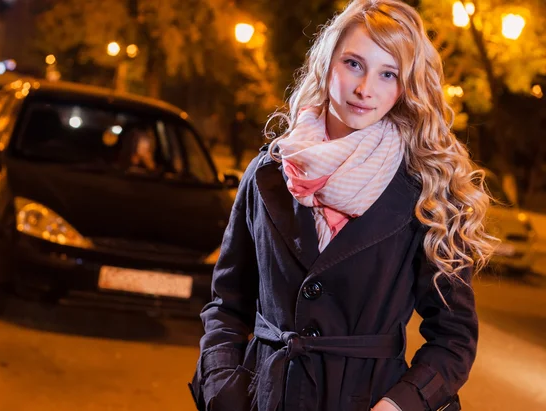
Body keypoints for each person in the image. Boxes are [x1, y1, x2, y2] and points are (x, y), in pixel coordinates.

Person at [189, 1, 497, 410]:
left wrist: (398, 405)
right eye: (354, 64)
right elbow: (227, 305)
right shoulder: (267, 173)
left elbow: (454, 338)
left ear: (405, 87)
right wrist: (223, 389)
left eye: (388, 74)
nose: (365, 88)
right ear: (326, 61)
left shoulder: (427, 191)